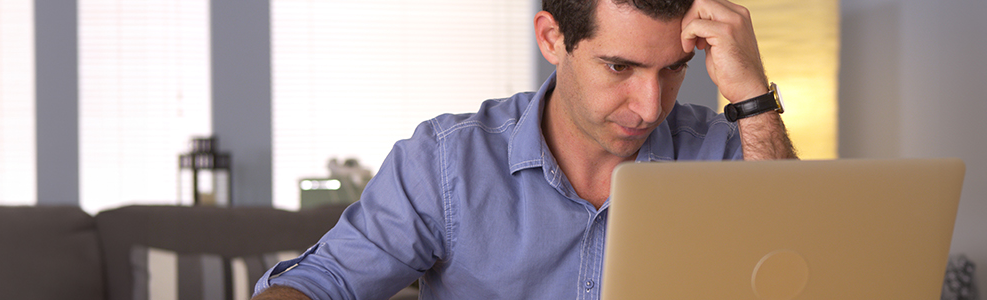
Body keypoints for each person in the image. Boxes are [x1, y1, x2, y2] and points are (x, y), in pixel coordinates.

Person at [253, 0, 796, 298]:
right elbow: (320, 284)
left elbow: (800, 267)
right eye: (619, 67)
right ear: (552, 38)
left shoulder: (732, 156)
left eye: (673, 70)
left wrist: (751, 96)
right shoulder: (446, 162)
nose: (651, 107)